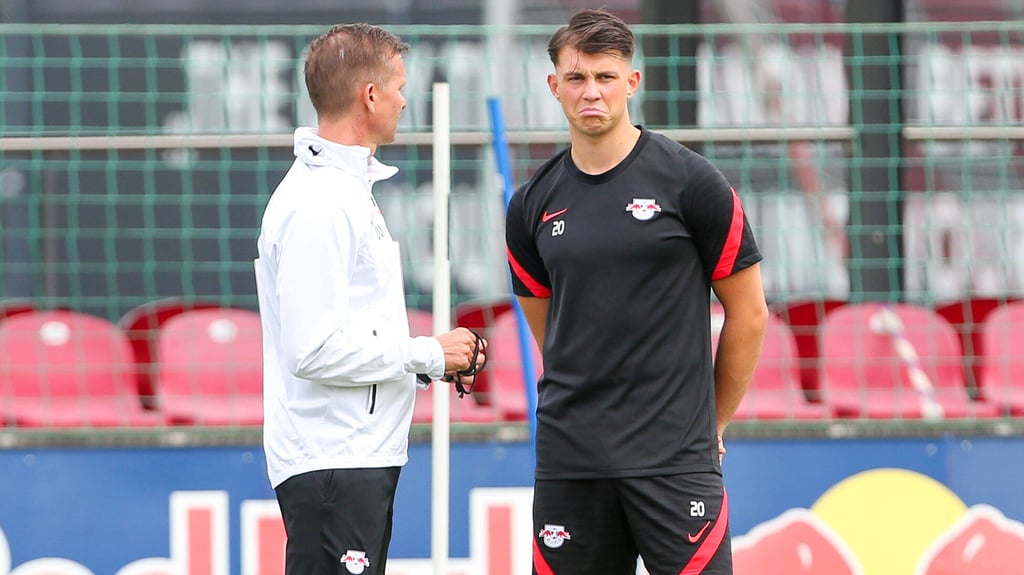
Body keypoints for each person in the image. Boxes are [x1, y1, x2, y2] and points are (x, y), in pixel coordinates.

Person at [504, 8, 768, 575]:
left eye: (605, 77)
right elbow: (553, 333)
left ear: (632, 82)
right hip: (571, 462)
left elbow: (749, 315)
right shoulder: (531, 204)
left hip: (675, 462)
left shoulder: (694, 183)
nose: (590, 92)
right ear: (555, 87)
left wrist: (711, 425)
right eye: (576, 78)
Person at [253, 23, 485, 575]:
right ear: (370, 95)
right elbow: (313, 350)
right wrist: (429, 354)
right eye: (399, 86)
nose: (406, 99)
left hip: (351, 456)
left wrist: (431, 364)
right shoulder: (319, 203)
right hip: (334, 459)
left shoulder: (343, 192)